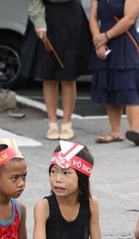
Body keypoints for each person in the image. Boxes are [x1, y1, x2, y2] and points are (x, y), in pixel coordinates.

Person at [20, 0, 92, 141]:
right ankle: (52, 123)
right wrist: (39, 21)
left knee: (68, 75)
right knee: (48, 75)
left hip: (71, 15)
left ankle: (67, 123)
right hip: (46, 15)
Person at [89, 0, 139, 146]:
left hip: (124, 40)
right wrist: (98, 40)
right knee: (110, 85)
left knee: (129, 85)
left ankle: (135, 130)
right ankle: (115, 131)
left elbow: (129, 19)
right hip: (104, 41)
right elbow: (93, 18)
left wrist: (106, 36)